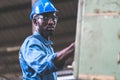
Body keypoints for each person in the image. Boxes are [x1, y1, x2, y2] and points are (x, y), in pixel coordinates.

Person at [19, 0, 75, 80]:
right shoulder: (30, 43)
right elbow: (43, 65)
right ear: (35, 21)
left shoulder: (48, 47)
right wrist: (73, 48)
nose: (51, 22)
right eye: (45, 17)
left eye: (53, 17)